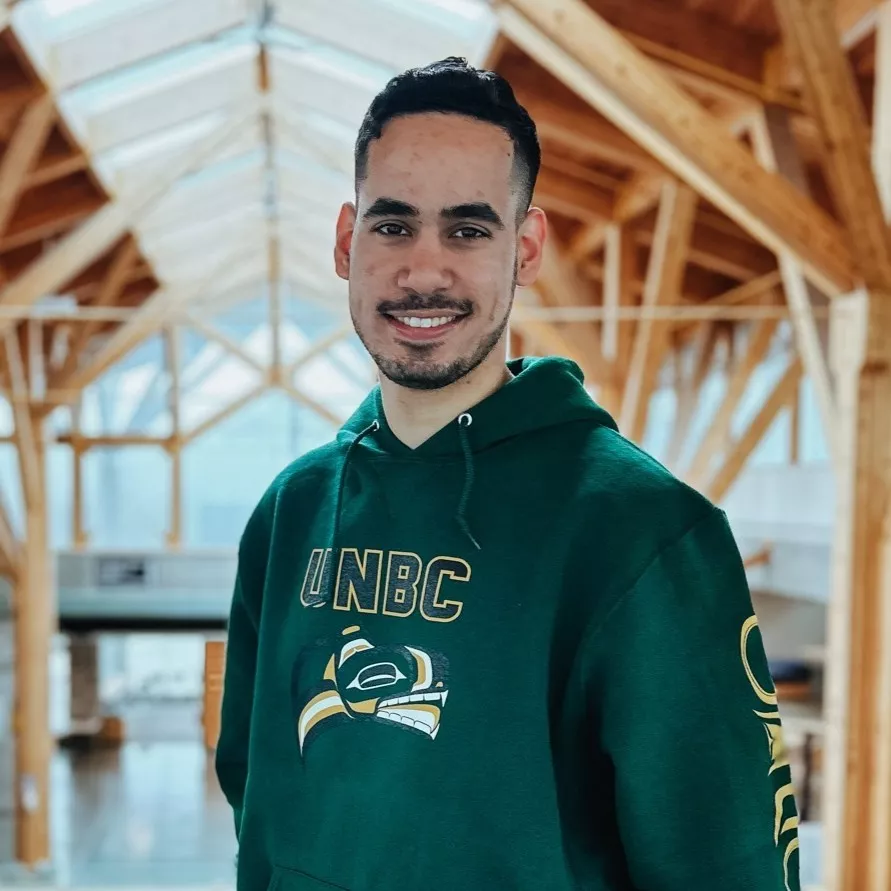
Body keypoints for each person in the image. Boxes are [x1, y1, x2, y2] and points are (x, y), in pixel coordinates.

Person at [215, 57, 800, 891]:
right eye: (392, 226)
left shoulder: (643, 532)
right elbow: (255, 789)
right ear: (347, 242)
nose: (424, 270)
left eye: (467, 229)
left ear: (524, 249)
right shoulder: (292, 513)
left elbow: (726, 863)